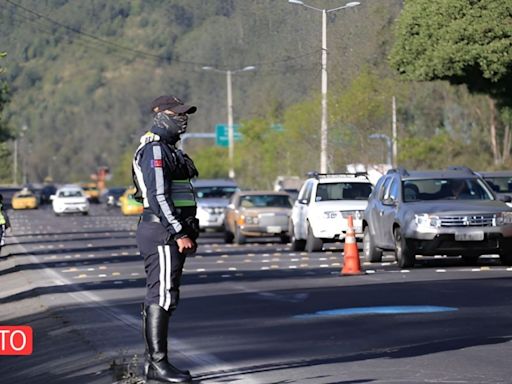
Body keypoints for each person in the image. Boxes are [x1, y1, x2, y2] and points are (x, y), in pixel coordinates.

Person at [132, 95, 200, 384]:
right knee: (160, 295)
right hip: (162, 232)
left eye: (185, 114)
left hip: (166, 231)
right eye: (178, 113)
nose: (183, 119)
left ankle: (154, 366)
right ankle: (159, 366)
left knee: (164, 295)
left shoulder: (170, 149)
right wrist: (179, 231)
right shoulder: (155, 150)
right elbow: (158, 195)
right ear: (161, 115)